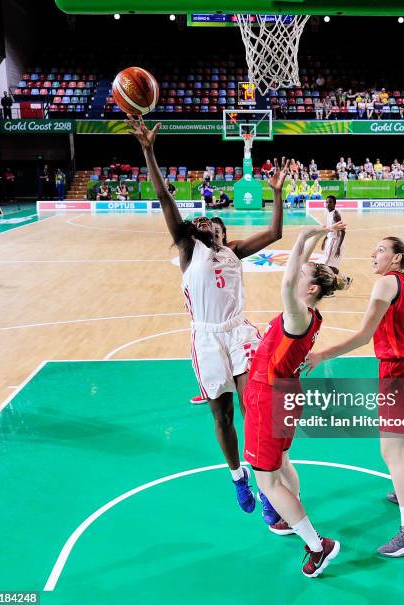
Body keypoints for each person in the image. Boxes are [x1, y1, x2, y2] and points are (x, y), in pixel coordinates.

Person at [126, 115, 288, 511]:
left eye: (212, 222)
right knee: (223, 416)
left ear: (221, 230)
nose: (205, 224)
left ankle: (266, 483)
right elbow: (165, 197)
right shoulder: (188, 250)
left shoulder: (234, 251)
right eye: (200, 222)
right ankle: (239, 479)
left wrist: (278, 193)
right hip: (206, 337)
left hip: (238, 333)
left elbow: (276, 234)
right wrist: (148, 149)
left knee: (253, 407)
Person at [306, 237, 404, 557]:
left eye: (381, 250)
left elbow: (364, 334)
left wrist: (323, 355)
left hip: (400, 372)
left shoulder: (387, 283)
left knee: (391, 450)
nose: (373, 254)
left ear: (397, 259)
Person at [243, 224, 346, 577]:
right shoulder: (310, 314)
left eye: (301, 272)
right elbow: (296, 273)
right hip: (286, 393)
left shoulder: (298, 314)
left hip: (269, 396)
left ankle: (318, 546)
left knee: (267, 480)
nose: (293, 270)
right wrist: (314, 238)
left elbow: (287, 282)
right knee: (282, 462)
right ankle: (291, 517)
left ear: (312, 288)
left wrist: (303, 238)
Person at [321, 195, 352, 290]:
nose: (328, 204)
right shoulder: (329, 213)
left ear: (334, 204)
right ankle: (346, 279)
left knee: (326, 265)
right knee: (330, 265)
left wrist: (338, 247)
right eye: (327, 202)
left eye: (330, 202)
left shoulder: (336, 214)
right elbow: (330, 229)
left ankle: (328, 287)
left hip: (335, 241)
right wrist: (324, 239)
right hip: (330, 240)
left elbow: (343, 231)